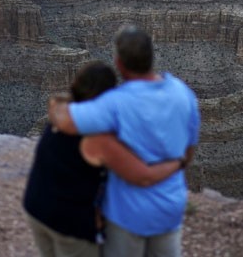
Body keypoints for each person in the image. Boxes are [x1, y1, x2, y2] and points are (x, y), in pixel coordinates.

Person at [49, 25, 200, 257]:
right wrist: (174, 164)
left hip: (128, 215)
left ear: (119, 63)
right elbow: (189, 152)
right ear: (152, 56)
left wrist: (56, 103)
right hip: (170, 209)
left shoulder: (115, 104)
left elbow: (65, 122)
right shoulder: (184, 93)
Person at [24, 60, 183, 257]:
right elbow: (144, 176)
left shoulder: (62, 112)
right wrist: (177, 163)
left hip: (36, 208)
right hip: (68, 223)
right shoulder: (97, 137)